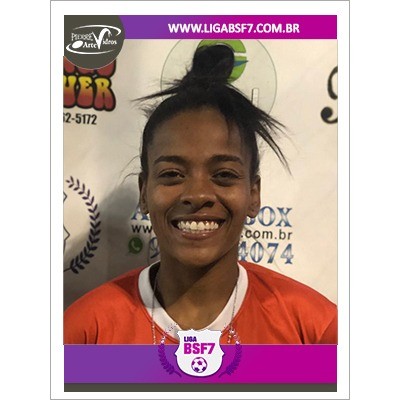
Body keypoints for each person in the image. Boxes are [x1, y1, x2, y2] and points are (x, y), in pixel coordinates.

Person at [64, 44, 337, 345]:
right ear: (144, 192)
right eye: (172, 174)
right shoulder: (85, 331)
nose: (197, 194)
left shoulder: (317, 330)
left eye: (224, 175)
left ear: (253, 194)